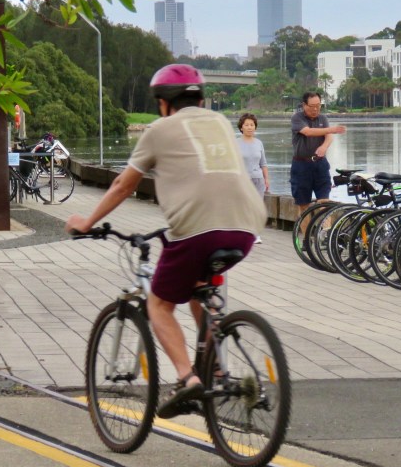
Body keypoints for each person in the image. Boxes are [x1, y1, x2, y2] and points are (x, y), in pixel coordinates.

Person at [65, 64, 265, 419]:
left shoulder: (159, 130)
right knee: (197, 287)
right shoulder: (219, 123)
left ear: (162, 103)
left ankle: (188, 380)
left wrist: (87, 222)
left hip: (197, 231)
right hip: (247, 226)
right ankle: (217, 367)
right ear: (201, 99)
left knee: (159, 305)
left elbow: (123, 185)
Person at [290, 91, 346, 214]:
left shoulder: (323, 118)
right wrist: (332, 129)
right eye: (312, 106)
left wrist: (324, 147)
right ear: (304, 105)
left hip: (320, 164)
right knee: (303, 205)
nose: (315, 109)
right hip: (301, 165)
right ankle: (305, 233)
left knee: (324, 202)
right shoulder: (297, 118)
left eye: (318, 105)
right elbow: (308, 132)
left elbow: (328, 136)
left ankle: (325, 233)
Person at [236, 113, 269, 245]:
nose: (250, 127)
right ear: (241, 127)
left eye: (252, 125)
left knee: (257, 207)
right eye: (247, 125)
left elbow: (263, 163)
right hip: (242, 180)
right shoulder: (235, 143)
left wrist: (267, 179)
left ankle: (256, 234)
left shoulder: (259, 143)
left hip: (258, 179)